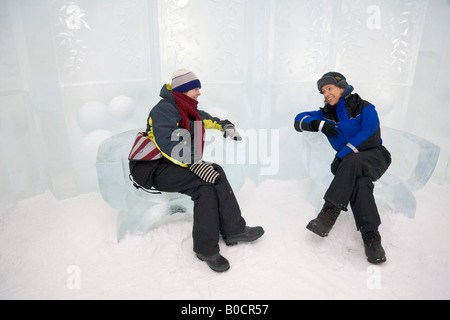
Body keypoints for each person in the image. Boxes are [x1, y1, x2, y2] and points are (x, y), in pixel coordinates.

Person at [129, 69, 264, 272]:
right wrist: (194, 164)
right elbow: (166, 142)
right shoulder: (164, 110)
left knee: (213, 175)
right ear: (182, 89)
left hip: (173, 163)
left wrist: (225, 126)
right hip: (153, 168)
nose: (199, 92)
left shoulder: (187, 110)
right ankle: (210, 246)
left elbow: (208, 120)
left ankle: (231, 231)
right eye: (195, 88)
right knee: (205, 186)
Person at [294, 72, 391, 264]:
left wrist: (341, 155)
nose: (326, 94)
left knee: (353, 160)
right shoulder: (326, 114)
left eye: (329, 88)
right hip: (350, 165)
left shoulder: (365, 107)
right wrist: (319, 124)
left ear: (342, 87)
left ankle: (328, 214)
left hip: (376, 156)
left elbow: (370, 134)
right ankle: (371, 238)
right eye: (323, 91)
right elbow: (298, 120)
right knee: (361, 185)